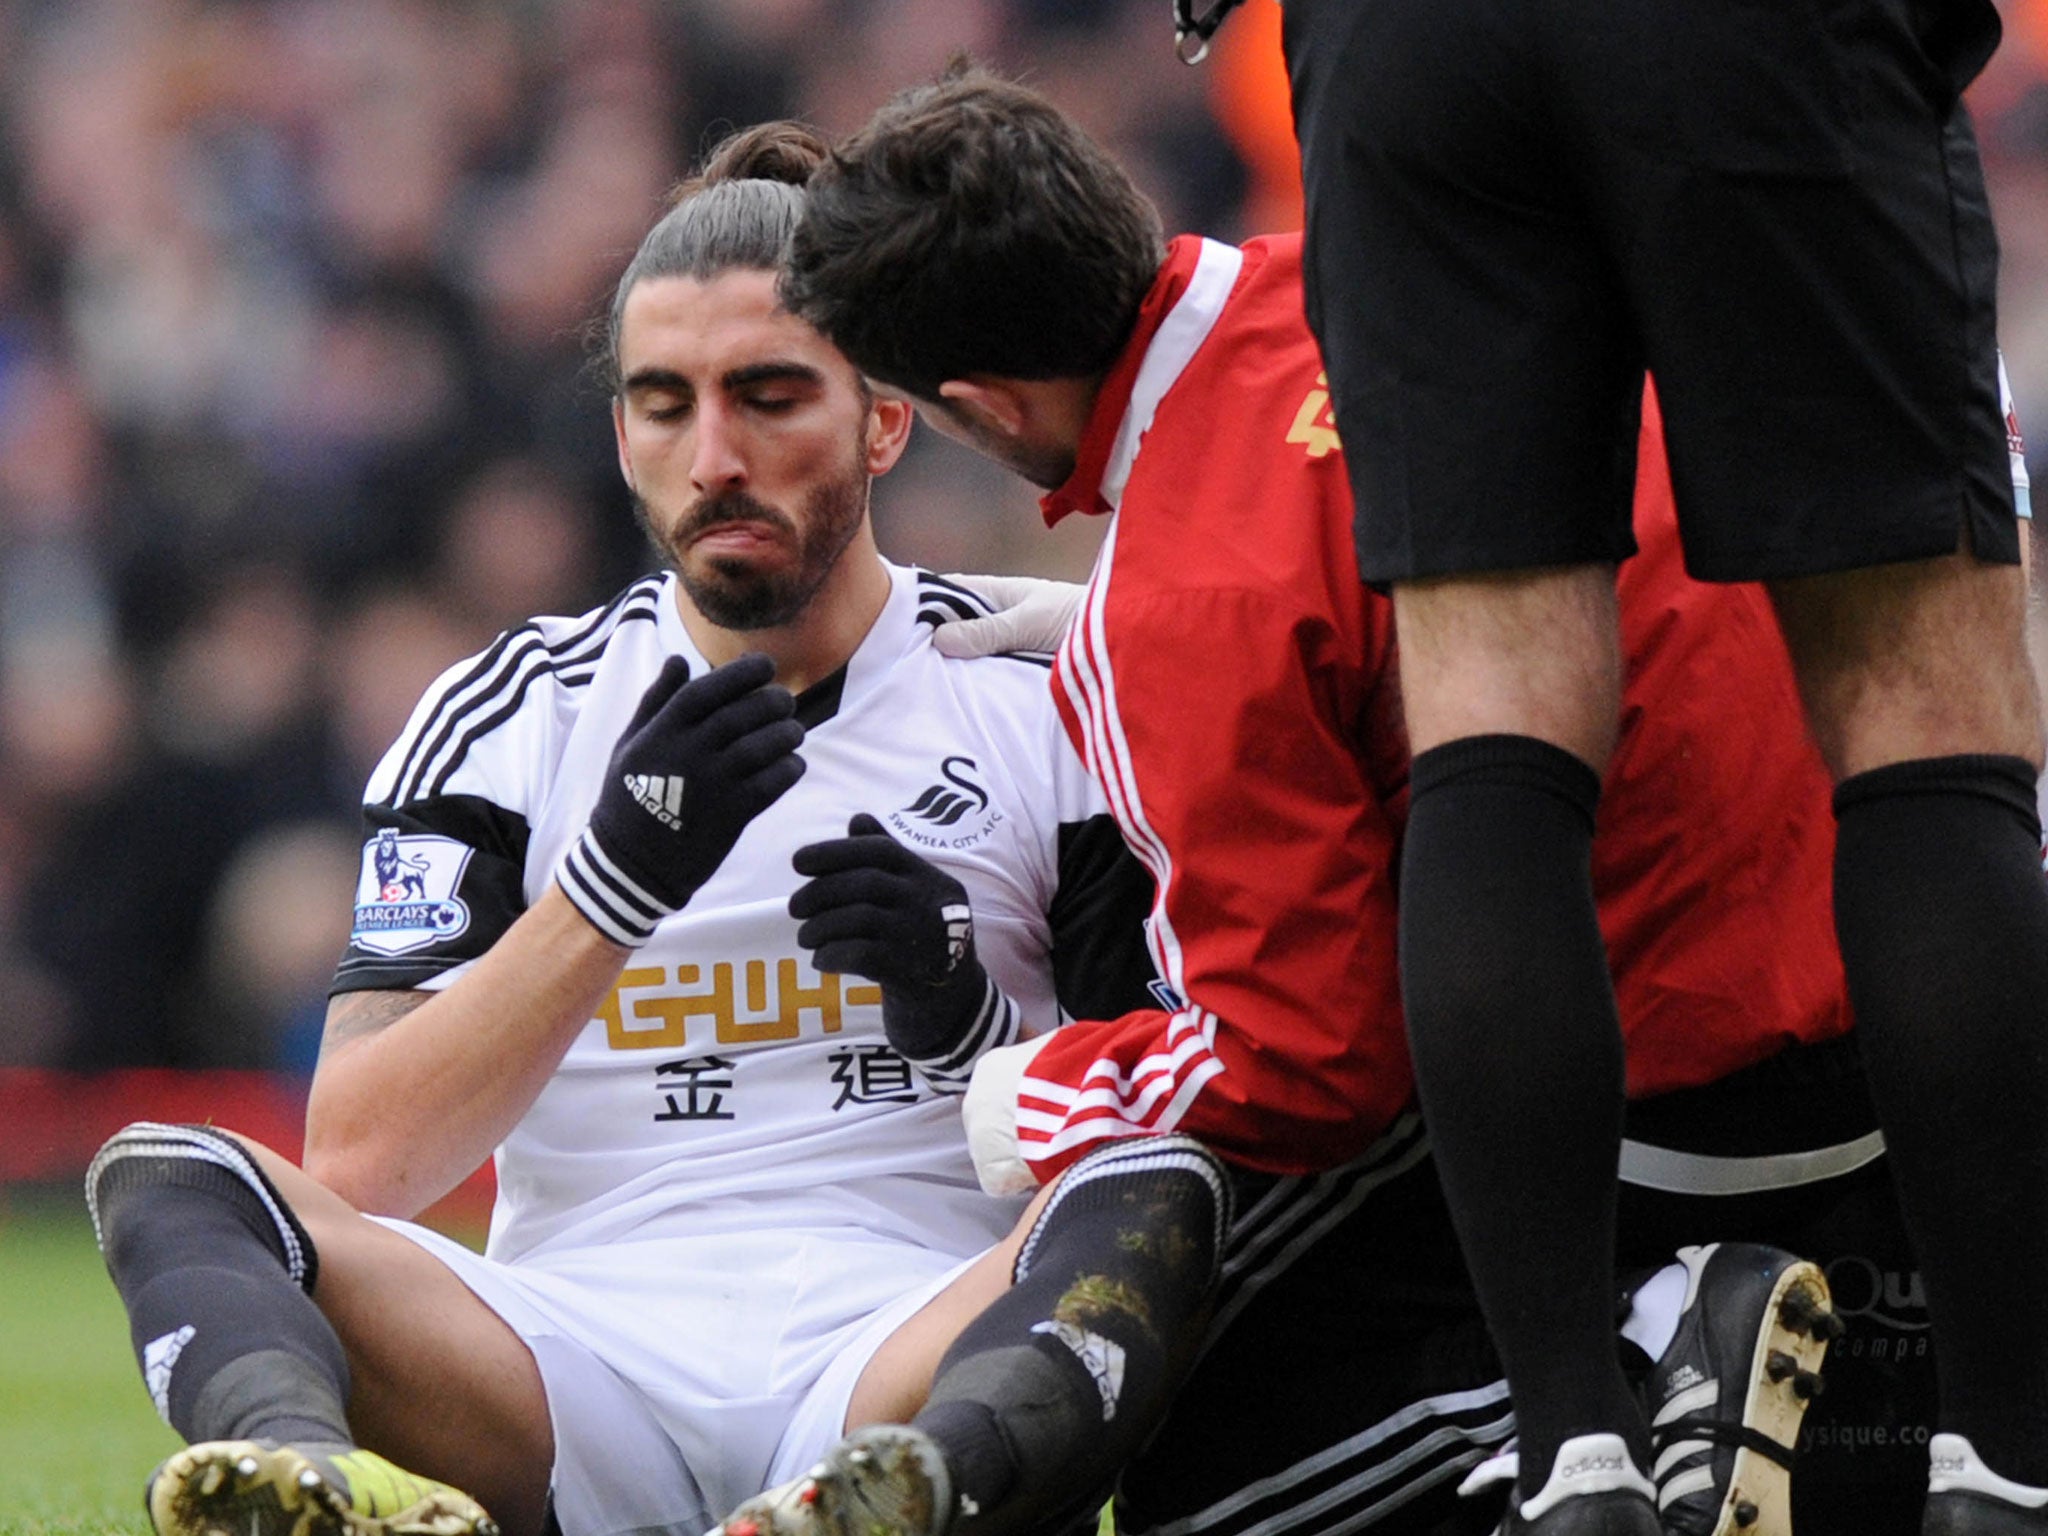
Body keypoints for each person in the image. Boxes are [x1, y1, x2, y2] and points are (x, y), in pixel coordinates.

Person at [777, 66, 2034, 1536]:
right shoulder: (1422, 261)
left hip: (1693, 1114)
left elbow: (1309, 1063)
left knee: (1206, 1329)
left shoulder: (1177, 611)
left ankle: (1612, 1385)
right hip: (1950, 982)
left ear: (978, 408)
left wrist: (1040, 1089)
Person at [84, 123, 1232, 1536]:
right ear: (620, 435)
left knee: (1159, 1186)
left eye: (768, 396)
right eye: (663, 403)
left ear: (883, 419)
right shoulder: (511, 713)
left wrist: (968, 1025)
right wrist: (609, 895)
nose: (716, 457)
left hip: (903, 1342)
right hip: (569, 1364)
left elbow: (1171, 1096)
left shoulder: (1041, 686)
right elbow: (366, 1162)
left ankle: (905, 1494)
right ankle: (310, 1482)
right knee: (172, 1176)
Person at [1261, 0, 2048, 1527]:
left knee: (1489, 716)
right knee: (1923, 713)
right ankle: (2011, 1456)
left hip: (1399, 44)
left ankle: (1569, 1442)